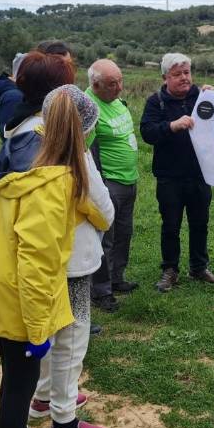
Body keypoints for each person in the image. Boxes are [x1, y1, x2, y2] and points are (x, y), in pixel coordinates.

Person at [0, 83, 108, 428]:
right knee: (18, 395)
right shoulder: (52, 184)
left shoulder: (21, 156)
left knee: (14, 385)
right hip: (17, 300)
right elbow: (37, 262)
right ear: (83, 130)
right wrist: (39, 332)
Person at [30, 85, 113, 428]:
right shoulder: (78, 158)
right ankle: (64, 422)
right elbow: (104, 210)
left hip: (40, 259)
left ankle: (43, 397)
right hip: (75, 262)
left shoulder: (28, 146)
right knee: (73, 337)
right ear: (85, 125)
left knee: (48, 331)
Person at [139, 53, 214, 292]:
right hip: (169, 177)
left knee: (200, 223)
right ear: (165, 77)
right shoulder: (156, 102)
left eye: (187, 72)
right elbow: (147, 132)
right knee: (170, 225)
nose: (184, 78)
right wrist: (172, 126)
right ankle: (170, 270)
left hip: (200, 174)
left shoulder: (201, 96)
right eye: (177, 74)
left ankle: (198, 267)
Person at [85, 59, 139, 311]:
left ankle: (117, 278)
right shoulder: (89, 108)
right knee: (105, 238)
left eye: (120, 81)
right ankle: (101, 291)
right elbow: (88, 151)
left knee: (124, 233)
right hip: (109, 183)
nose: (119, 88)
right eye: (112, 84)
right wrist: (101, 186)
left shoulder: (115, 101)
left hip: (128, 179)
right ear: (95, 85)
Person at [0, 41, 74, 139]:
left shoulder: (39, 102)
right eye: (61, 64)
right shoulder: (15, 97)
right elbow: (13, 139)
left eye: (69, 64)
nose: (67, 69)